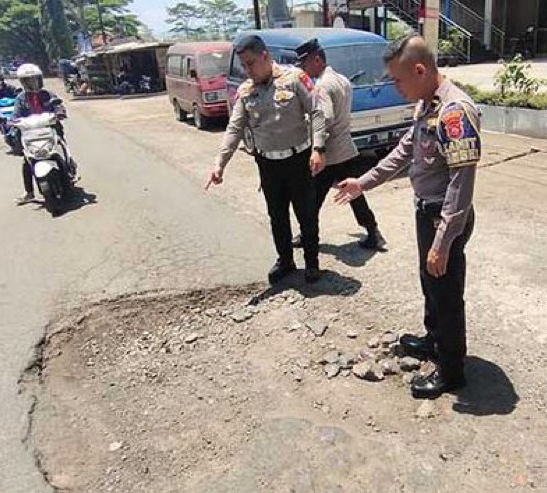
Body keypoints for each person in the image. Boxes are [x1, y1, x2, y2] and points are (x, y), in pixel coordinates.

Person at [334, 35, 479, 399]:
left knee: (445, 291)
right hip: (426, 213)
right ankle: (435, 340)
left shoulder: (455, 112)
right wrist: (363, 183)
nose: (394, 86)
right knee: (430, 283)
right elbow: (404, 152)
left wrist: (443, 242)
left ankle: (451, 370)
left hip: (444, 218)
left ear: (419, 70)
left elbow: (461, 185)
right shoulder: (426, 104)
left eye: (397, 80)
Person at [205, 34, 327, 284]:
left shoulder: (294, 79)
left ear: (265, 56)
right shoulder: (246, 91)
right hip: (268, 164)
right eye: (243, 65)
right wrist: (220, 163)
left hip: (298, 160)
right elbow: (234, 128)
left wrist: (318, 148)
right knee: (277, 215)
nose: (247, 70)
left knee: (306, 213)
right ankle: (285, 259)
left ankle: (312, 262)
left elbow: (317, 111)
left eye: (250, 63)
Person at [292, 38, 383, 251]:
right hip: (346, 148)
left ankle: (307, 235)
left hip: (329, 153)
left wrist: (315, 144)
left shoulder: (322, 86)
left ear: (316, 60)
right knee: (354, 194)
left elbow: (325, 119)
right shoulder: (341, 79)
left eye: (304, 64)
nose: (303, 70)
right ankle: (372, 231)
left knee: (312, 199)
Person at [12, 63, 68, 205]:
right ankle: (29, 192)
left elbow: (58, 105)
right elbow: (15, 115)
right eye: (28, 80)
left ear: (40, 79)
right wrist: (12, 122)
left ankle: (68, 171)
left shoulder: (48, 94)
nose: (32, 83)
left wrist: (59, 112)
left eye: (34, 79)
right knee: (26, 162)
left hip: (50, 131)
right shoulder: (20, 99)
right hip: (31, 135)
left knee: (59, 151)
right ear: (23, 82)